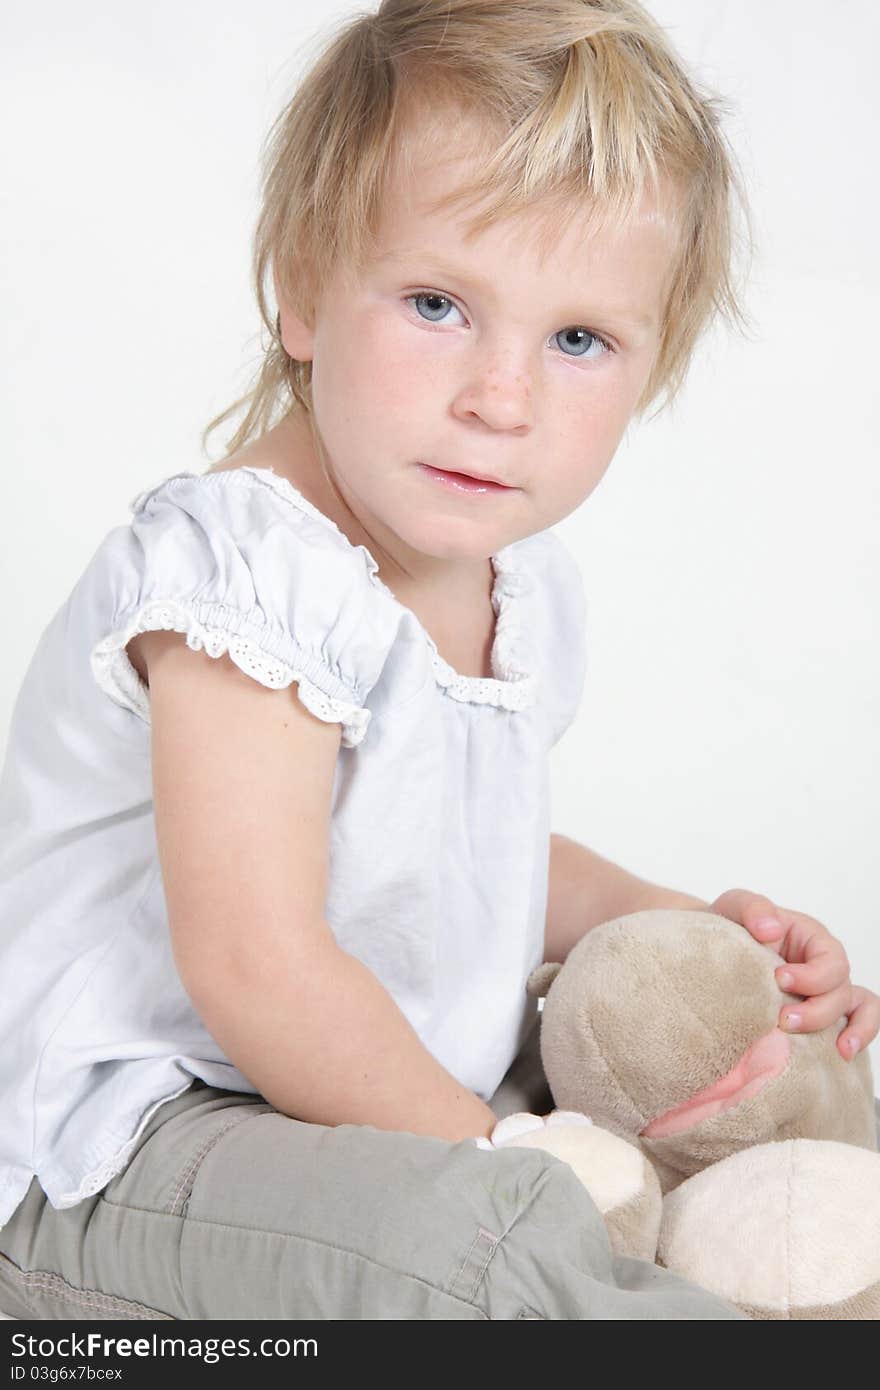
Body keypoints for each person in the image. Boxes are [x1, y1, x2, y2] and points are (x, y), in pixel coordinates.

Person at [0, 0, 877, 1322]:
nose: (502, 398)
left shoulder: (515, 576)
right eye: (437, 305)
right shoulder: (247, 571)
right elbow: (256, 964)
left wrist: (699, 921)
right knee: (484, 1246)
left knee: (726, 1071)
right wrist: (502, 1143)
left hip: (365, 1080)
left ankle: (754, 1241)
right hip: (138, 1138)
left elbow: (472, 846)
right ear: (303, 289)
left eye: (578, 339)